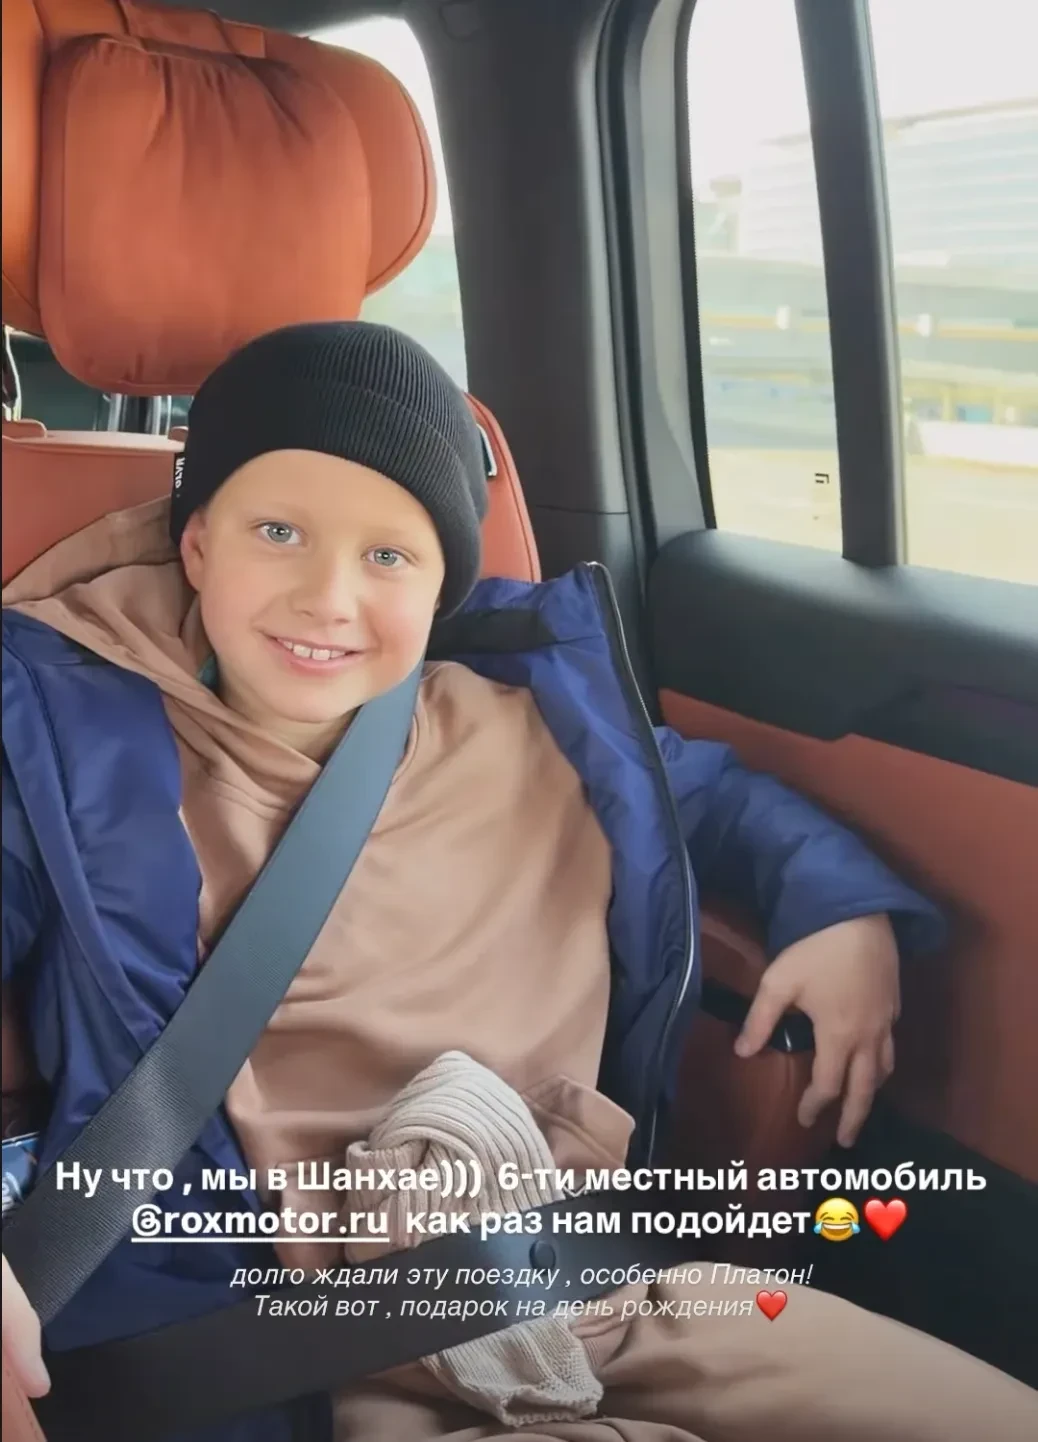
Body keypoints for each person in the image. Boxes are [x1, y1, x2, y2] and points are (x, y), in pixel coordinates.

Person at [2, 322, 1034, 1442]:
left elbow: (717, 801)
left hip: (594, 1277)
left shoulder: (539, 720)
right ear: (199, 546)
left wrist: (839, 909)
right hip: (297, 1331)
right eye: (278, 532)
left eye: (389, 556)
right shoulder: (65, 734)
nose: (329, 597)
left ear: (445, 582)